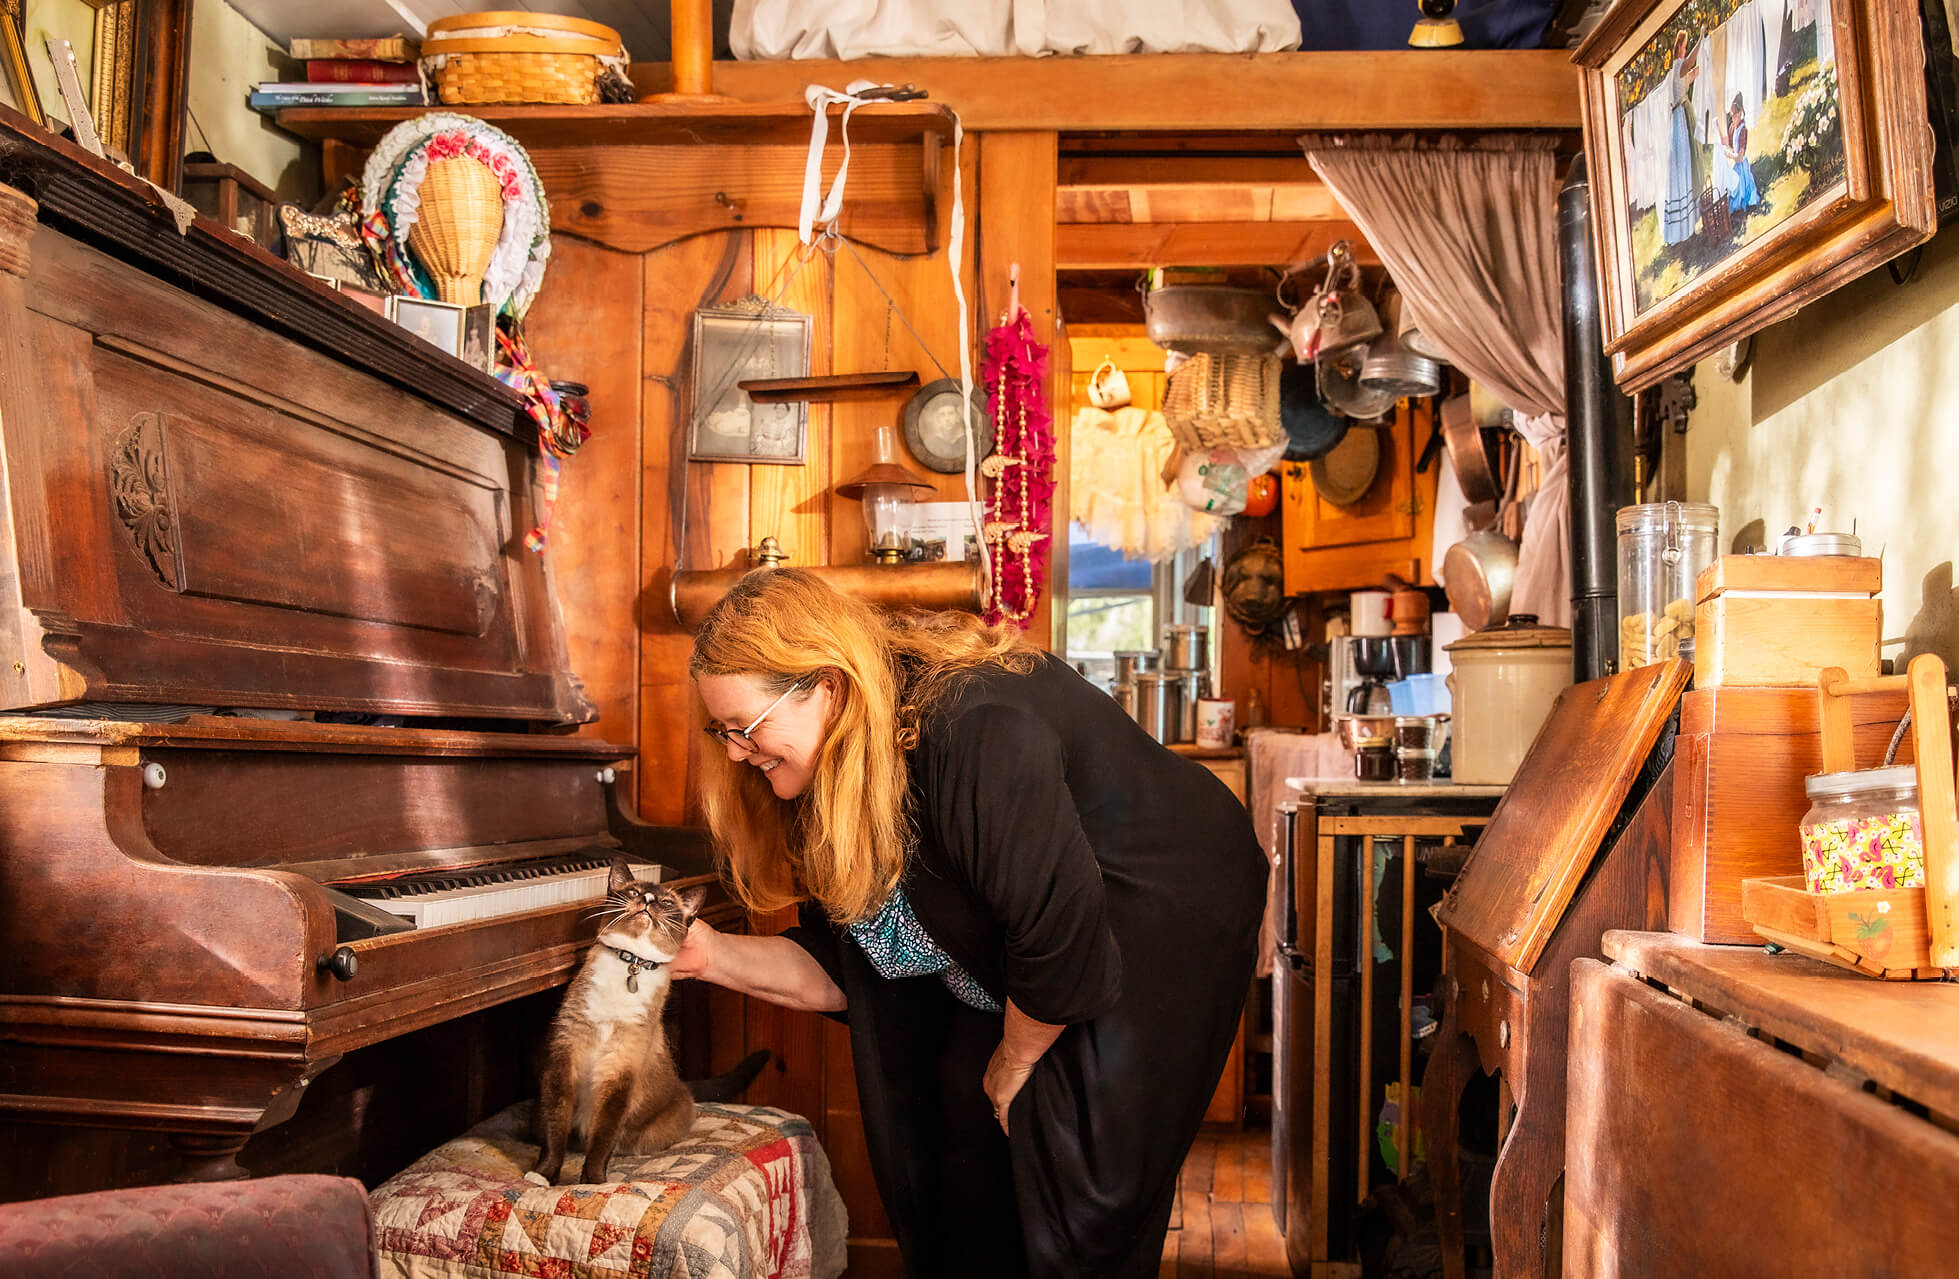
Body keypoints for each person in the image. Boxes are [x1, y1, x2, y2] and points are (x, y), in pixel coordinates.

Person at [671, 569, 1267, 1278]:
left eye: (745, 727)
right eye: (722, 731)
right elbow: (852, 967)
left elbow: (1058, 942)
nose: (735, 750)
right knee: (952, 1129)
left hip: (1164, 900)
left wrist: (1014, 1062)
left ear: (823, 685)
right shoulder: (830, 765)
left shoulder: (973, 727)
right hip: (1044, 930)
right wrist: (705, 953)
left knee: (1075, 1177)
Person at [1722, 94, 1763, 216]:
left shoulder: (1742, 130)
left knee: (1741, 189)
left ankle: (1745, 207)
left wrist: (1730, 154)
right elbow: (1729, 144)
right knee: (1731, 187)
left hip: (1741, 165)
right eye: (1732, 115)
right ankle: (1737, 209)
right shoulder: (1732, 128)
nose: (1733, 118)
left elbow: (1739, 157)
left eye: (1735, 115)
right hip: (1736, 164)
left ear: (1741, 112)